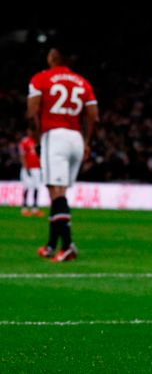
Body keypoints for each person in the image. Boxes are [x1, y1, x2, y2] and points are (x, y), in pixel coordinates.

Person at [28, 47, 98, 263]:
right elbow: (94, 117)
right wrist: (86, 142)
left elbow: (32, 112)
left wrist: (38, 137)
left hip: (54, 136)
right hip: (76, 138)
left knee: (56, 192)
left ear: (51, 58)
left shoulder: (40, 79)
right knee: (58, 194)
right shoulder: (82, 82)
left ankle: (67, 246)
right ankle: (51, 245)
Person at [19, 134, 43, 217]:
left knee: (36, 188)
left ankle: (35, 208)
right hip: (28, 168)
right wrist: (26, 168)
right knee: (27, 187)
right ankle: (24, 208)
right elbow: (22, 155)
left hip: (37, 168)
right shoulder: (25, 141)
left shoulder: (38, 141)